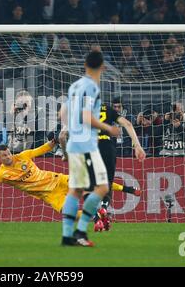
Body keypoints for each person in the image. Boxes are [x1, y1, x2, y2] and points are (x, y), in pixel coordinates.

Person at [60, 50, 145, 247]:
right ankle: (81, 231)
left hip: (74, 144)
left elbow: (63, 112)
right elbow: (87, 117)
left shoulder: (75, 86)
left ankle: (67, 236)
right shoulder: (91, 87)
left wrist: (67, 131)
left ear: (84, 65)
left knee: (75, 190)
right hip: (88, 146)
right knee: (103, 188)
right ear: (103, 68)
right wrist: (109, 129)